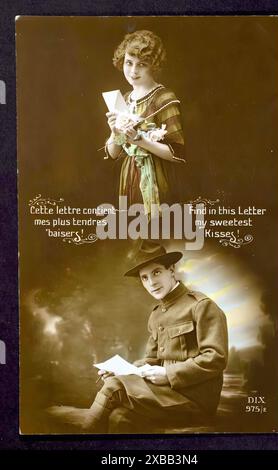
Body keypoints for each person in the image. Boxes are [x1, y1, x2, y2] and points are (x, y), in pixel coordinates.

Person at [47, 241, 228, 433]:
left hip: (193, 401)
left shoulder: (201, 306)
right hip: (165, 395)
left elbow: (216, 358)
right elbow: (152, 360)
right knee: (120, 418)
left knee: (113, 388)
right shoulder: (157, 313)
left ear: (172, 270)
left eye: (156, 272)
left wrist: (168, 374)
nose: (151, 283)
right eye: (144, 278)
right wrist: (124, 371)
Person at [104, 30, 186, 215]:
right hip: (129, 180)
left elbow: (178, 153)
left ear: (154, 66)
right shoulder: (124, 99)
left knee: (153, 237)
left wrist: (141, 141)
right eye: (129, 63)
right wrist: (114, 132)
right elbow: (113, 153)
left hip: (158, 179)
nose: (133, 71)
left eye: (142, 64)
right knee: (134, 237)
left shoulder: (164, 98)